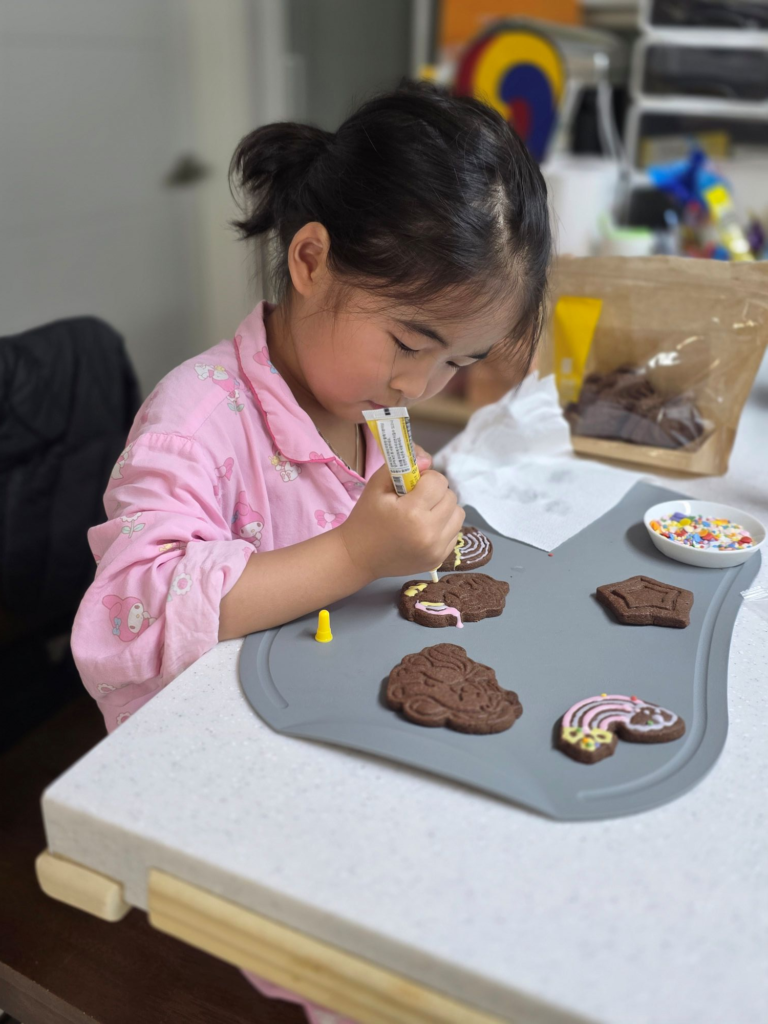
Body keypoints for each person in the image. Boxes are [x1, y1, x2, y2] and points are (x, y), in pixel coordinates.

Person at [70, 78, 551, 1024]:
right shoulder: (195, 422)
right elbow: (131, 613)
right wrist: (353, 552)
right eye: (412, 341)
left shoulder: (378, 412)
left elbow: (386, 551)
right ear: (311, 258)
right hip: (218, 777)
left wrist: (425, 534)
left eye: (457, 360)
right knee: (389, 959)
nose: (423, 383)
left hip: (336, 718)